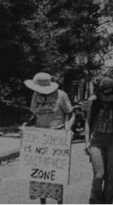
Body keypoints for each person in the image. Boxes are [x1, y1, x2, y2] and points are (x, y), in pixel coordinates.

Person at [24, 72, 75, 204]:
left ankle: (59, 202)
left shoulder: (61, 95)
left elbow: (71, 114)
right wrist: (26, 125)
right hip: (40, 138)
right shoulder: (35, 96)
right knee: (40, 175)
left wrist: (67, 129)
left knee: (56, 176)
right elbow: (34, 115)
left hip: (56, 139)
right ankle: (43, 202)